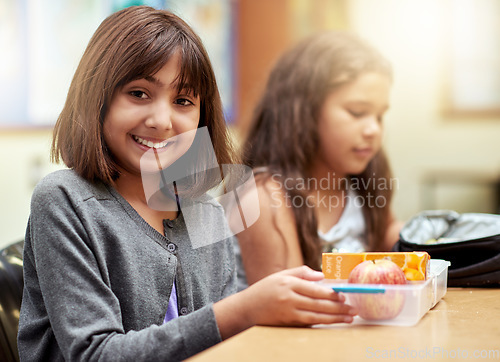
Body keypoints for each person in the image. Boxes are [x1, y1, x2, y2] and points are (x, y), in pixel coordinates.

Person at [17, 6, 357, 361]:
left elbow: (232, 346)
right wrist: (243, 311)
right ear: (96, 99)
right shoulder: (63, 200)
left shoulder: (203, 210)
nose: (162, 121)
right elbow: (96, 354)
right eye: (139, 93)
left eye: (183, 101)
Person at [236, 31, 403, 287]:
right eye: (357, 112)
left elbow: (391, 238)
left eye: (379, 116)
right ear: (303, 112)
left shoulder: (361, 186)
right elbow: (289, 312)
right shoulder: (263, 198)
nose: (374, 130)